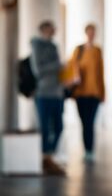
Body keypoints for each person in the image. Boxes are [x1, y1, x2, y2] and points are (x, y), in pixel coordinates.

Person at [30, 20, 65, 175]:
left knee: (58, 127)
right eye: (51, 28)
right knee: (44, 128)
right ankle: (45, 159)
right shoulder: (36, 46)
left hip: (57, 93)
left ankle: (48, 157)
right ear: (44, 29)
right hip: (43, 93)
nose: (54, 30)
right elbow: (38, 70)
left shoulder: (54, 46)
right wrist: (56, 65)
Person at [70, 23, 105, 162]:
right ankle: (86, 150)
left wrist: (103, 92)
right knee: (84, 122)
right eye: (89, 32)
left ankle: (90, 150)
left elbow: (101, 72)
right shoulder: (78, 50)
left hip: (94, 93)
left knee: (90, 122)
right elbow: (72, 68)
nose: (91, 34)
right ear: (86, 33)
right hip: (80, 93)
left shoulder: (97, 50)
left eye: (93, 32)